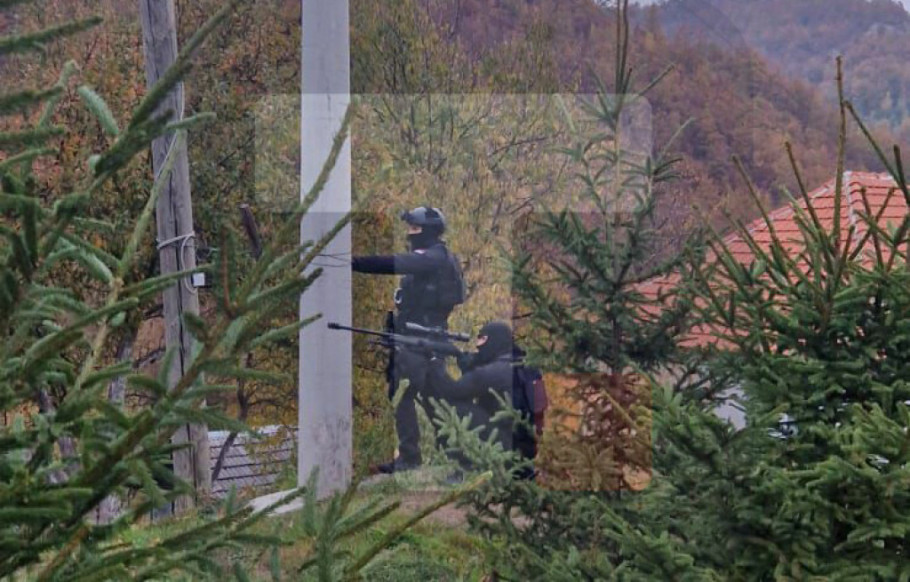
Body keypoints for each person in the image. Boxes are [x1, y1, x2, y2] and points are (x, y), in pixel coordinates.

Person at [351, 206, 465, 473]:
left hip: (421, 342)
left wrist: (354, 263)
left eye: (415, 229)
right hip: (420, 340)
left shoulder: (434, 257)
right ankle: (454, 459)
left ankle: (415, 458)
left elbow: (396, 263)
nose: (410, 234)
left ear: (429, 231)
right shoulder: (436, 257)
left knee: (404, 393)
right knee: (433, 400)